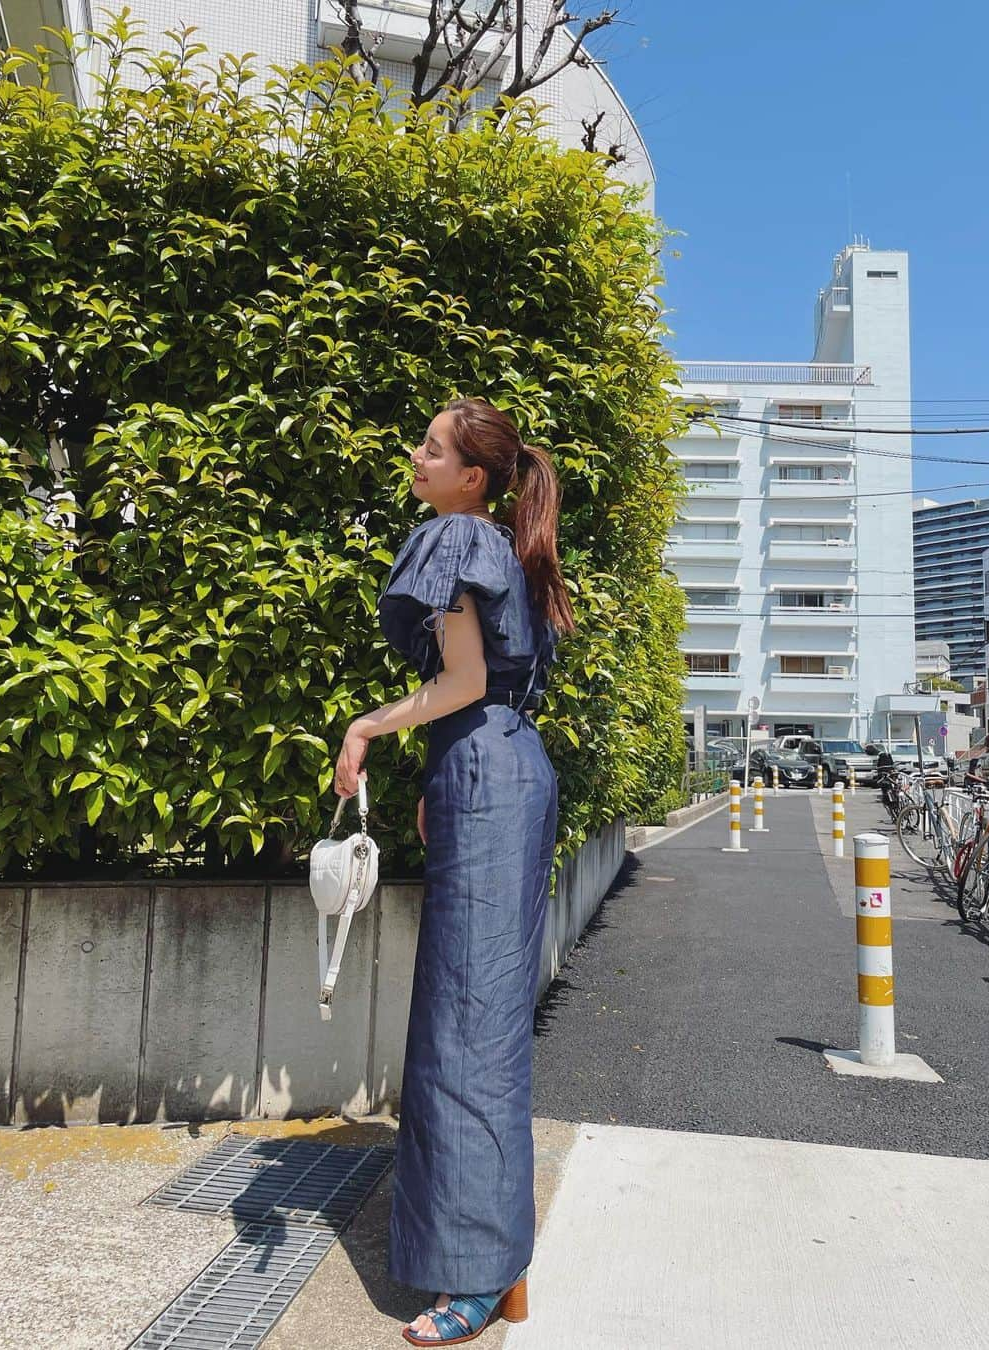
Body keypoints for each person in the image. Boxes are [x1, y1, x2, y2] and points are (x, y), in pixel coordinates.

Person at [333, 397, 575, 1346]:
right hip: (501, 769)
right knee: (475, 1014)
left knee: (469, 1023)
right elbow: (493, 696)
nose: (416, 456)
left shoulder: (458, 539)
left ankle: (478, 1275)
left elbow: (465, 683)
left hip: (490, 770)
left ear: (472, 477)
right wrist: (448, 772)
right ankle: (487, 1258)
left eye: (432, 450)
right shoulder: (500, 546)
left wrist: (366, 726)